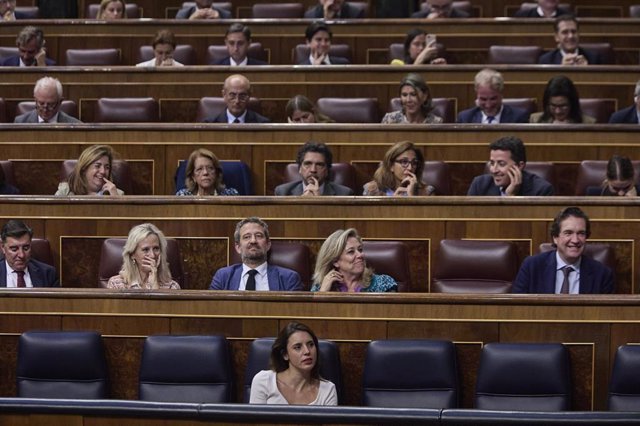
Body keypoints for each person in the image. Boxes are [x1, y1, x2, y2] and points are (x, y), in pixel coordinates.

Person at [512, 207, 614, 294]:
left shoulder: (602, 274)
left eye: (581, 233)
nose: (575, 240)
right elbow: (517, 309)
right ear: (555, 237)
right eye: (568, 233)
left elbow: (605, 315)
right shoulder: (532, 266)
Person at [249, 322, 337, 405]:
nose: (307, 351)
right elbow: (255, 420)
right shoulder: (263, 381)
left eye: (310, 345)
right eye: (298, 347)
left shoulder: (327, 390)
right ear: (285, 354)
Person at [209, 217, 303, 291]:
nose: (253, 241)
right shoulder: (223, 277)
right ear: (238, 247)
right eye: (247, 237)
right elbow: (213, 310)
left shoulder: (289, 279)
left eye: (258, 236)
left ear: (268, 245)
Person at [311, 228, 397, 292]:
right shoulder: (320, 287)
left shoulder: (384, 284)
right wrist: (323, 293)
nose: (360, 255)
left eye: (360, 250)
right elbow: (312, 314)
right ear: (335, 261)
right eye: (351, 252)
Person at [467, 136, 554, 196]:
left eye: (501, 164)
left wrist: (511, 197)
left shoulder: (541, 190)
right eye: (492, 163)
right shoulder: (479, 184)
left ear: (520, 166)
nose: (494, 170)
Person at [107, 223, 180, 290]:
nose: (152, 255)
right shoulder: (116, 284)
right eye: (145, 249)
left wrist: (154, 285)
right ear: (132, 254)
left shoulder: (172, 287)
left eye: (156, 248)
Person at [274, 141, 354, 196]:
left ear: (326, 171)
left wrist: (320, 202)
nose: (313, 170)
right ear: (300, 169)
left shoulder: (344, 193)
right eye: (307, 164)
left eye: (319, 165)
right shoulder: (283, 192)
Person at [457, 69, 529, 124]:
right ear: (477, 95)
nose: (488, 105)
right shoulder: (465, 118)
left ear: (501, 94)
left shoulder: (519, 117)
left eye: (493, 99)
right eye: (483, 99)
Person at [0, 220, 59, 287]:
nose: (21, 255)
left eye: (26, 248)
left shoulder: (48, 274)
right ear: (3, 247)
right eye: (14, 249)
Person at [363, 141, 435, 196]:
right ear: (391, 165)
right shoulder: (372, 190)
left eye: (414, 163)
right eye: (404, 162)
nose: (410, 168)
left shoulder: (427, 192)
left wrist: (412, 198)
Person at [55, 144, 124, 196]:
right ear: (84, 168)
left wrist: (116, 200)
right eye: (97, 166)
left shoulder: (117, 194)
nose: (103, 171)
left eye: (107, 167)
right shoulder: (65, 191)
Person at [202, 74, 270, 123]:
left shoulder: (262, 123)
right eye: (232, 95)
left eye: (242, 96)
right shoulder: (210, 124)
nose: (237, 101)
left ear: (249, 96)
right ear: (224, 95)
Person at [530, 75, 595, 124]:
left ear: (572, 104)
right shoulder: (535, 120)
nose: (558, 111)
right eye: (553, 106)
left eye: (563, 106)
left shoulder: (589, 123)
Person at [14, 76, 81, 124]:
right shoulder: (20, 122)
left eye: (50, 104)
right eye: (41, 103)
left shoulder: (75, 125)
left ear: (60, 102)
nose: (45, 109)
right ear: (35, 100)